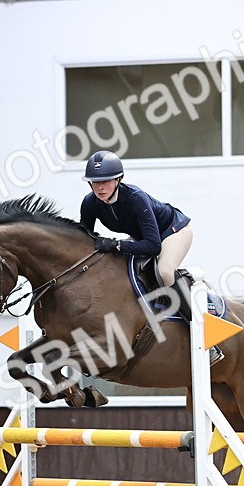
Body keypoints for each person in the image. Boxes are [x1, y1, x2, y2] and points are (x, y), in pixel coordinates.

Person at [79, 150, 222, 363]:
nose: (100, 187)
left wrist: (117, 244)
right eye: (95, 182)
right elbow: (86, 240)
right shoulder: (90, 203)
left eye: (106, 181)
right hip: (143, 236)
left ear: (118, 179)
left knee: (164, 270)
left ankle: (204, 336)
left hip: (173, 231)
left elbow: (153, 246)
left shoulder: (135, 198)